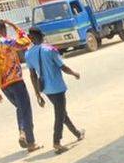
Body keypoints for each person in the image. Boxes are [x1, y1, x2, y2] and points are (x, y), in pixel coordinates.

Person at [0, 19, 40, 152]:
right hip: (15, 81)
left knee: (20, 108)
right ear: (3, 30)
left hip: (2, 84)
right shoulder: (3, 41)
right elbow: (25, 42)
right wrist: (15, 26)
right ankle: (29, 140)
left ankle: (23, 132)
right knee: (25, 110)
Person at [25, 27, 85, 155]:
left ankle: (77, 133)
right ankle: (56, 141)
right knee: (60, 114)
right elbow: (63, 67)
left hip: (45, 89)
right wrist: (74, 73)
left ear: (31, 38)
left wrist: (37, 94)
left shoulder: (28, 54)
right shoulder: (50, 50)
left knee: (62, 112)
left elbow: (32, 75)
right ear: (42, 36)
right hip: (57, 87)